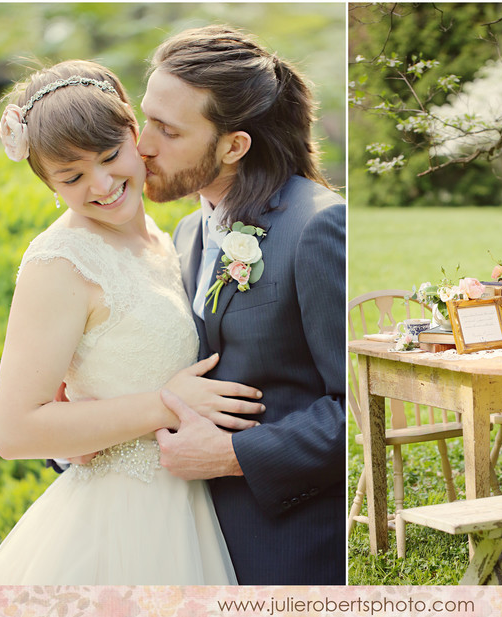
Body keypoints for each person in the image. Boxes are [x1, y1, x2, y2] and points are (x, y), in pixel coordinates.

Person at [0, 59, 265, 585]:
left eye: (111, 157)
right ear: (48, 183)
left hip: (195, 507)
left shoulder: (168, 235)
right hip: (121, 521)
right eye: (72, 176)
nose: (103, 184)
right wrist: (167, 403)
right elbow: (14, 430)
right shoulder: (59, 262)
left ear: (136, 133)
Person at [137, 25, 346, 584]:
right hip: (188, 543)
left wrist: (236, 455)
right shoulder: (184, 231)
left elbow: (357, 411)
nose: (142, 145)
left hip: (289, 554)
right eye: (145, 117)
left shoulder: (319, 226)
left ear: (233, 145)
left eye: (167, 130)